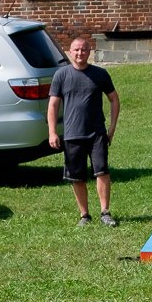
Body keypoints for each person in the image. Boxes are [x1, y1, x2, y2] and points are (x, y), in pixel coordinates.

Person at [48, 37, 121, 227]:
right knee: (76, 176)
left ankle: (105, 212)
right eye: (76, 50)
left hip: (96, 133)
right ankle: (84, 215)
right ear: (70, 52)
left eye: (84, 50)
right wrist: (52, 132)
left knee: (102, 172)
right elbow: (53, 104)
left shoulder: (100, 74)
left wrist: (111, 128)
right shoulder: (61, 75)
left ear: (89, 52)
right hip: (72, 134)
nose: (80, 53)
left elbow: (114, 99)